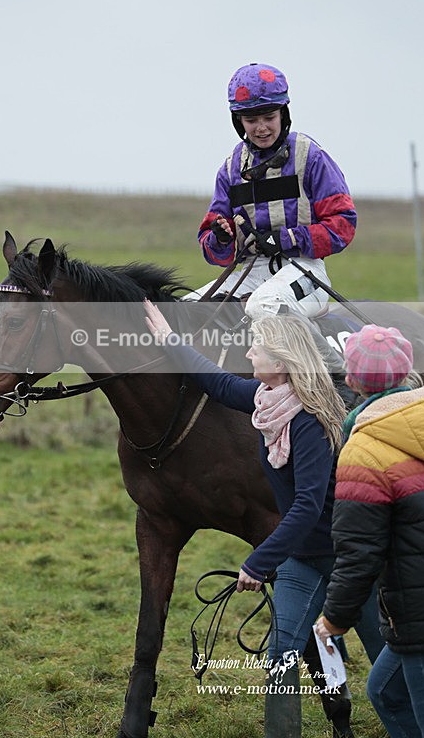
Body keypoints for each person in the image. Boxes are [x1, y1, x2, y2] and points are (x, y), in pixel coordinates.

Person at [144, 302, 383, 738]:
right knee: (281, 656)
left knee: (384, 653)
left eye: (257, 348)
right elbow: (214, 382)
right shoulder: (266, 400)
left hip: (345, 557)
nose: (249, 354)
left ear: (281, 362)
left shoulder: (309, 421)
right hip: (301, 560)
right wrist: (168, 339)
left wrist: (258, 561)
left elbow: (309, 505)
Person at [186, 62, 357, 377]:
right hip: (252, 274)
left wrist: (288, 239)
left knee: (263, 306)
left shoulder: (311, 156)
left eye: (269, 117)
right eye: (251, 119)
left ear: (283, 115)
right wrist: (221, 239)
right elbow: (212, 248)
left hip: (304, 269)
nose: (261, 127)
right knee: (183, 312)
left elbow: (343, 224)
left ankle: (337, 378)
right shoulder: (230, 168)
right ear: (239, 121)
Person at [315, 325, 424, 738]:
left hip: (421, 615)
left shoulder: (363, 451)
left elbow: (358, 552)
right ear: (407, 372)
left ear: (350, 381)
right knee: (385, 691)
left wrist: (334, 619)